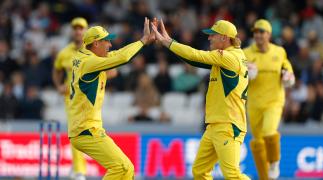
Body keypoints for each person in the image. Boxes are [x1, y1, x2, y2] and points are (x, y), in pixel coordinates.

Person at [152, 19, 250, 180]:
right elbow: (194, 59)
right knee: (199, 171)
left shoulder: (228, 57)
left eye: (213, 35)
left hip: (228, 125)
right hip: (215, 125)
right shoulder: (227, 58)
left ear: (225, 38)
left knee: (232, 174)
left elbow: (195, 55)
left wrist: (167, 41)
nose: (209, 38)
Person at [69, 17, 154, 180]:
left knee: (127, 169)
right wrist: (142, 41)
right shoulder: (89, 62)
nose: (110, 45)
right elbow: (122, 58)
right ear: (95, 44)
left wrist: (140, 42)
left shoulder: (86, 57)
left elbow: (116, 54)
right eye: (106, 41)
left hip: (86, 128)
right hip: (85, 130)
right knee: (122, 167)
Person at [243, 19, 295, 180]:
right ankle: (265, 177)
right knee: (258, 142)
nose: (258, 35)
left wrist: (288, 78)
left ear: (269, 35)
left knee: (269, 132)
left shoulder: (279, 52)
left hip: (274, 101)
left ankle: (274, 162)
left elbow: (287, 71)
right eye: (256, 32)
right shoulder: (245, 53)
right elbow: (238, 75)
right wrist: (246, 74)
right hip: (254, 103)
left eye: (261, 32)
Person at [52, 17, 88, 180]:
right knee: (75, 133)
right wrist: (59, 85)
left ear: (86, 31)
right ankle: (79, 170)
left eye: (81, 28)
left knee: (82, 133)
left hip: (89, 99)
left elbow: (112, 71)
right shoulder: (64, 52)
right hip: (71, 99)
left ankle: (78, 168)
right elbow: (57, 70)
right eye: (75, 28)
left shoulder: (92, 50)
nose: (78, 31)